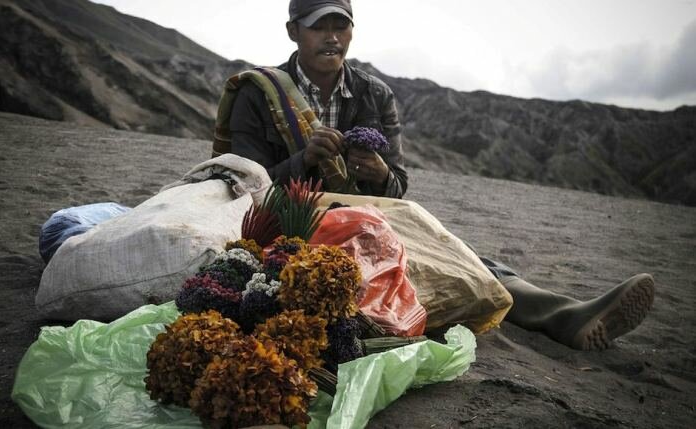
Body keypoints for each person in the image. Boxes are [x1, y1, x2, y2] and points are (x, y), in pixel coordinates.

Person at [224, 0, 655, 350]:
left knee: (446, 250)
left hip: (372, 218)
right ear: (293, 31)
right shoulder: (260, 93)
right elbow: (244, 182)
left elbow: (397, 185)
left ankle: (564, 315)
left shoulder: (375, 95)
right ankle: (558, 316)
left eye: (343, 25)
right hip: (291, 223)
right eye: (320, 26)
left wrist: (378, 174)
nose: (333, 37)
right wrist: (304, 162)